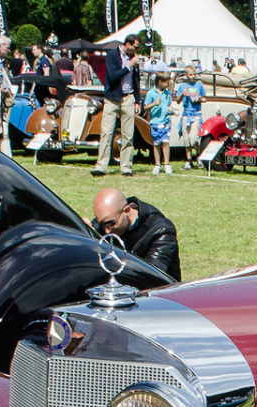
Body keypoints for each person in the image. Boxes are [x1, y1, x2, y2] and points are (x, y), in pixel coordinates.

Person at [92, 188, 179, 278]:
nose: (106, 231)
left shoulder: (161, 230)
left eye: (111, 223)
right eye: (102, 224)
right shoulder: (109, 217)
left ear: (127, 211)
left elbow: (153, 275)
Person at [93, 39, 140, 176]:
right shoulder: (112, 56)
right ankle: (101, 166)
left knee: (128, 134)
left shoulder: (134, 59)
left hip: (128, 98)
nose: (136, 51)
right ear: (128, 44)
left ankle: (126, 167)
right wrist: (128, 67)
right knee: (106, 132)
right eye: (135, 47)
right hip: (112, 98)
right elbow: (112, 76)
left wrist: (137, 100)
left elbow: (136, 80)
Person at [174, 63, 204, 166]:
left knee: (193, 138)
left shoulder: (199, 85)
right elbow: (177, 101)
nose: (193, 77)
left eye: (194, 74)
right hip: (186, 114)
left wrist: (198, 99)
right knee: (186, 138)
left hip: (196, 114)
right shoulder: (182, 86)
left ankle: (199, 155)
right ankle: (189, 161)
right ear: (186, 75)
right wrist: (182, 95)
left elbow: (204, 98)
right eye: (191, 75)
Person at [144, 72, 174, 173]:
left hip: (166, 121)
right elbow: (145, 107)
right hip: (155, 122)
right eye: (166, 82)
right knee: (156, 143)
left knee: (165, 142)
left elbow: (169, 104)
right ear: (160, 82)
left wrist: (170, 109)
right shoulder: (151, 93)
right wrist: (154, 104)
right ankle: (157, 164)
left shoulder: (167, 93)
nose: (168, 85)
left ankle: (167, 164)